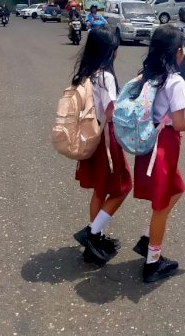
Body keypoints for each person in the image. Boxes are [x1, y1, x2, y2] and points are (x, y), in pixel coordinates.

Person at [131, 26, 185, 283]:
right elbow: (179, 123)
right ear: (178, 52)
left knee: (176, 189)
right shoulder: (176, 81)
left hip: (150, 142)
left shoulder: (147, 74)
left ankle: (148, 239)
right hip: (164, 144)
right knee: (161, 204)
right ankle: (153, 261)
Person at [72, 28, 132, 266]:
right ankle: (91, 232)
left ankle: (94, 239)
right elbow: (112, 111)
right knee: (122, 187)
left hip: (92, 135)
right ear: (109, 51)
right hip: (106, 138)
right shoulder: (105, 76)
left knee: (100, 189)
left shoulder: (87, 72)